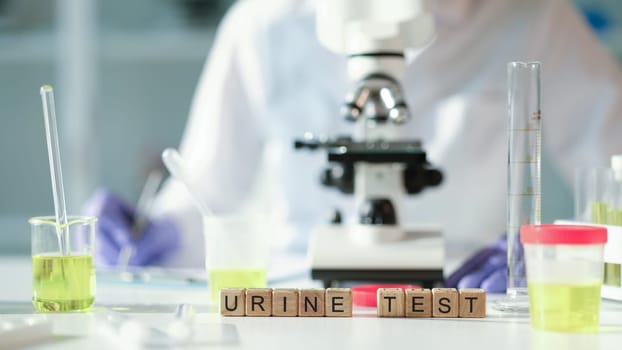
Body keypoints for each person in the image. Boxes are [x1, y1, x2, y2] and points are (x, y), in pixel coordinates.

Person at [84, 0, 622, 292]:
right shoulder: (262, 23)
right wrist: (149, 234)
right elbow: (208, 195)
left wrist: (554, 253)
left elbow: (614, 179)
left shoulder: (538, 19)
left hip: (468, 298)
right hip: (296, 296)